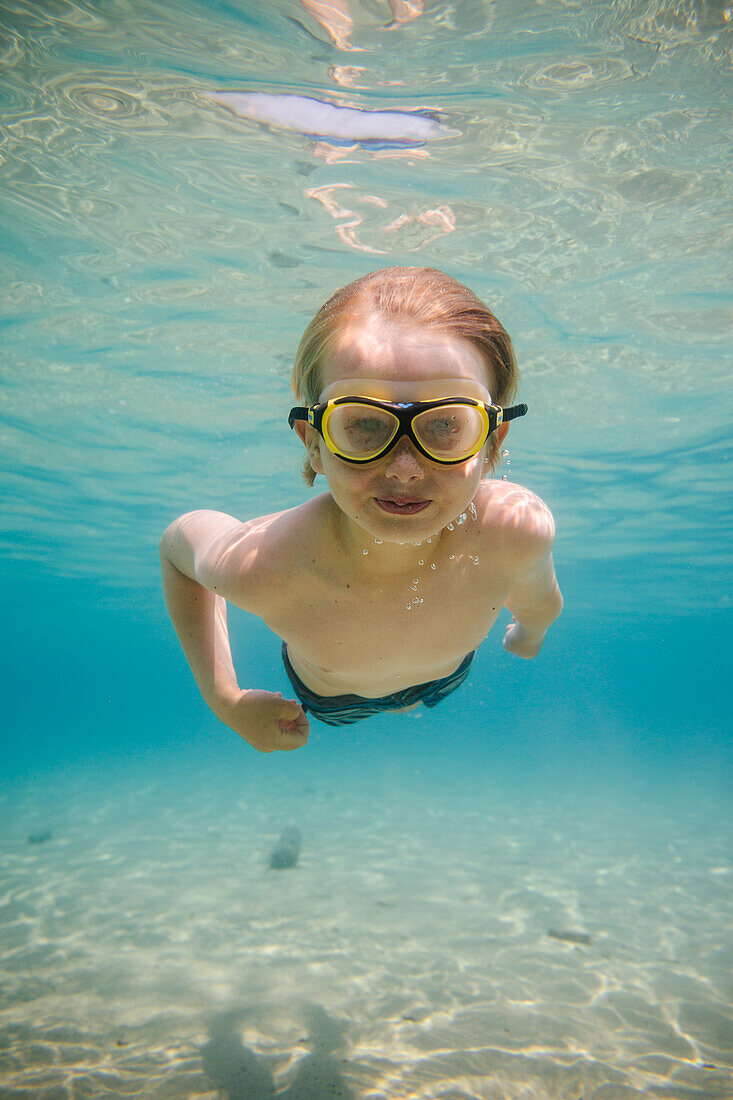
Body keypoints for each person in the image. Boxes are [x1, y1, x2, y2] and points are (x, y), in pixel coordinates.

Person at [160, 267, 562, 752]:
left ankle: (409, 704)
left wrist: (531, 631)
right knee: (396, 708)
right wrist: (225, 699)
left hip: (445, 675)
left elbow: (540, 601)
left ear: (491, 443)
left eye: (446, 426)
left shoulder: (519, 531)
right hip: (332, 700)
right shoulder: (261, 567)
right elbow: (176, 545)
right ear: (314, 442)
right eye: (365, 425)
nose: (407, 469)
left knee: (416, 700)